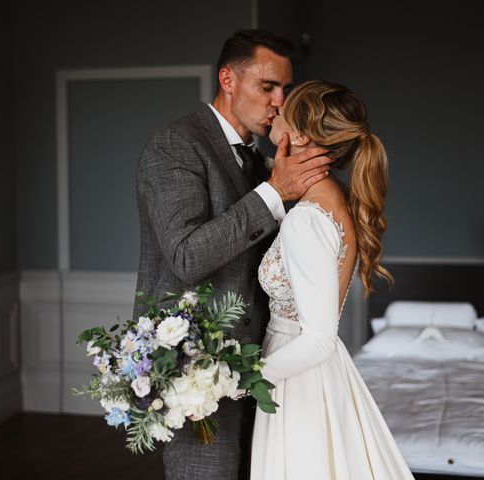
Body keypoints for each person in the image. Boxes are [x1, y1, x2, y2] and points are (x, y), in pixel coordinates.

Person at [132, 30, 331, 479]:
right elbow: (185, 255)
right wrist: (274, 192)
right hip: (196, 375)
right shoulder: (175, 145)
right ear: (227, 79)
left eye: (285, 89)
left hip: (262, 369)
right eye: (268, 87)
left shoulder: (260, 157)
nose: (280, 102)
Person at [251, 80, 415, 479]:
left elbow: (319, 338)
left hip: (297, 378)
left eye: (285, 105)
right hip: (306, 371)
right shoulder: (333, 197)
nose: (275, 107)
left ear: (302, 134)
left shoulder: (309, 216)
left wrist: (243, 378)